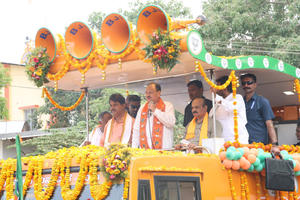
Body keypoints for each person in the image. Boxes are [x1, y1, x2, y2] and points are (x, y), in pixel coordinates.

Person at [241, 73, 280, 155]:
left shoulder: (263, 102)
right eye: (243, 83)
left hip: (260, 147)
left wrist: (275, 145)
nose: (246, 85)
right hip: (243, 145)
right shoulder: (240, 102)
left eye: (249, 82)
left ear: (255, 84)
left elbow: (270, 125)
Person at [132, 83, 176, 149]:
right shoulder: (142, 108)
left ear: (158, 93)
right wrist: (134, 148)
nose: (147, 95)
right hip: (145, 151)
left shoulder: (167, 105)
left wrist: (155, 110)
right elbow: (136, 129)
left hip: (163, 151)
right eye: (146, 93)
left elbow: (171, 123)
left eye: (150, 92)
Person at [209, 76, 249, 144]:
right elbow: (209, 119)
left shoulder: (237, 98)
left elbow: (231, 107)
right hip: (221, 142)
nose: (216, 89)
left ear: (225, 88)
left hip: (237, 141)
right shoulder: (216, 105)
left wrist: (216, 97)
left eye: (218, 87)